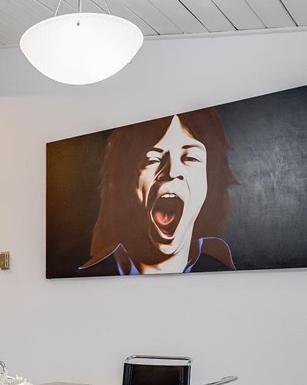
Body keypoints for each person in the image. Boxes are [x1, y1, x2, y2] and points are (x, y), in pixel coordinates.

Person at [80, 108, 237, 275]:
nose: (172, 172)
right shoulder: (90, 276)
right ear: (128, 180)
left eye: (190, 158)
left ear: (208, 179)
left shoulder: (226, 275)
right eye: (153, 159)